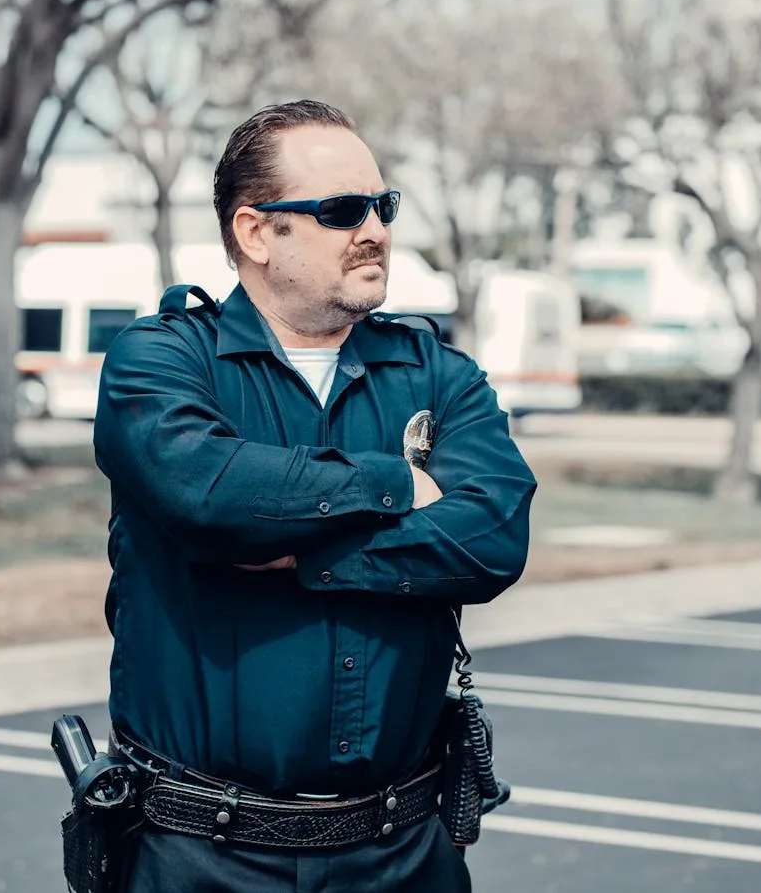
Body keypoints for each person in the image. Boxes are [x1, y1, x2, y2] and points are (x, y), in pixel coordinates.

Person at [93, 99, 537, 892]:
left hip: (402, 849)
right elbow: (210, 494)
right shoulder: (159, 362)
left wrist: (300, 549)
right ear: (257, 232)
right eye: (339, 210)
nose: (373, 229)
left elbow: (494, 538)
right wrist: (401, 481)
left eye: (382, 205)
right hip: (200, 852)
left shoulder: (439, 374)